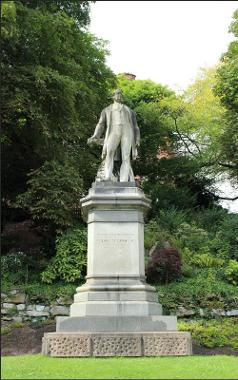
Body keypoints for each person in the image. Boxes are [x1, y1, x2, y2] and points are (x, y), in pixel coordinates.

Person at [88, 89, 140, 182]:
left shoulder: (129, 111)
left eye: (121, 93)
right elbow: (100, 124)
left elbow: (136, 127)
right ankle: (107, 177)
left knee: (126, 156)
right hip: (113, 131)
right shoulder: (107, 110)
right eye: (117, 94)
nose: (119, 95)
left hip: (127, 131)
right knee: (109, 153)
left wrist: (137, 139)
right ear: (113, 96)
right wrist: (95, 136)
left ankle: (124, 181)